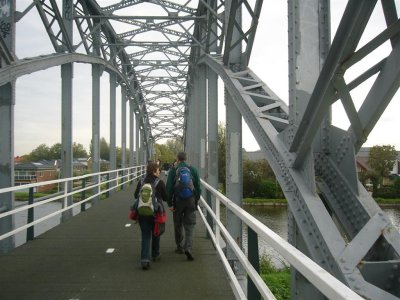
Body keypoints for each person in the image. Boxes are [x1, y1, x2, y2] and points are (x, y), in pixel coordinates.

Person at [166, 151, 201, 261]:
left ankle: (180, 247)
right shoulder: (193, 170)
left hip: (178, 200)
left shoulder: (173, 170)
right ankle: (189, 248)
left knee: (178, 223)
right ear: (186, 159)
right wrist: (196, 200)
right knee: (190, 225)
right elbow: (198, 187)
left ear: (177, 159)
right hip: (190, 200)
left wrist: (170, 203)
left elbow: (169, 188)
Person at [134, 162, 168, 270]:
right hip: (156, 212)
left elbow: (135, 195)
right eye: (158, 170)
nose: (160, 172)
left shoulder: (141, 181)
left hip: (143, 212)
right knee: (156, 233)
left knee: (145, 235)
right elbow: (166, 198)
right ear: (154, 171)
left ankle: (144, 259)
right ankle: (155, 254)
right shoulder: (160, 182)